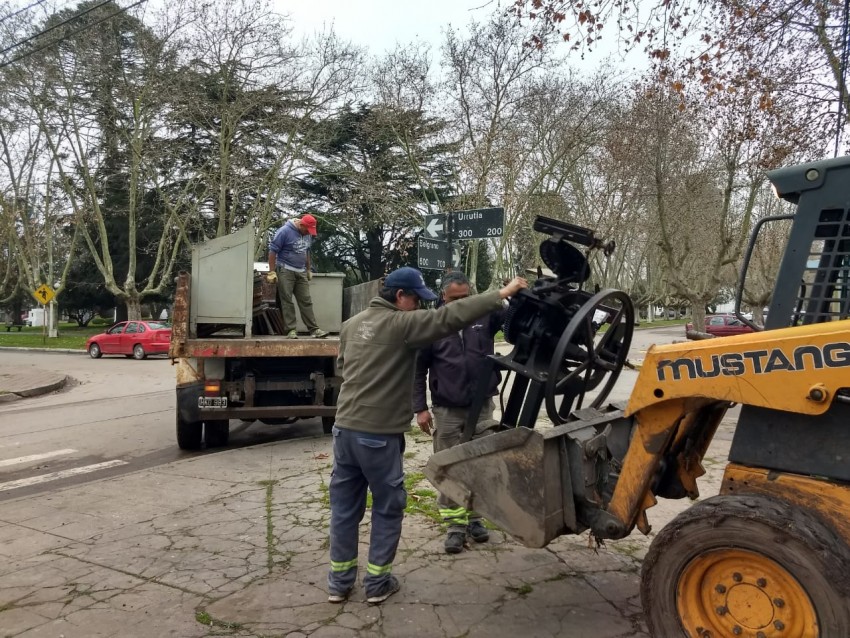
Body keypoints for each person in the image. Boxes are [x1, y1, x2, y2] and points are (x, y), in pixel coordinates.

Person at [327, 266, 527, 605]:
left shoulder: (350, 325)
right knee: (389, 507)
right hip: (378, 435)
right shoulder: (403, 325)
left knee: (345, 509)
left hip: (343, 431)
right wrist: (502, 294)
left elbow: (343, 368)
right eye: (417, 299)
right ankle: (377, 585)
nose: (421, 306)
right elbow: (451, 317)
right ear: (400, 296)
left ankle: (339, 583)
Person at [412, 271, 505, 554]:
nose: (461, 303)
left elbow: (512, 320)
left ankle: (477, 518)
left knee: (480, 465)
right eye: (455, 299)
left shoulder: (484, 317)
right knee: (450, 466)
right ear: (443, 296)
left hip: (482, 406)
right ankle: (455, 526)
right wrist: (420, 408)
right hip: (447, 409)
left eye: (466, 298)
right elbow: (418, 369)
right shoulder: (432, 324)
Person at [267, 214, 328, 339]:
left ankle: (314, 330)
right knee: (287, 301)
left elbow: (307, 251)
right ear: (301, 225)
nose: (308, 233)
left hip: (301, 271)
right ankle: (291, 330)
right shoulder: (284, 232)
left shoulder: (307, 233)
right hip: (285, 270)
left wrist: (308, 269)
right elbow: (272, 251)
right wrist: (272, 272)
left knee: (306, 300)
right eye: (307, 230)